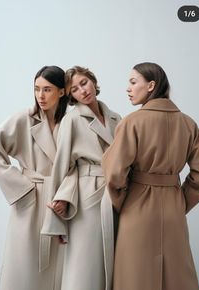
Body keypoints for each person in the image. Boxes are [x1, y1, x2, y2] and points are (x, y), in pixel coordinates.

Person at [101, 62, 199, 290]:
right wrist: (179, 202)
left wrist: (124, 203)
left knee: (134, 277)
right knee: (177, 277)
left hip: (136, 208)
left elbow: (113, 174)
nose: (128, 88)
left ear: (151, 85)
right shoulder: (188, 124)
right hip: (173, 210)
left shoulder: (132, 122)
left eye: (133, 82)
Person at [0, 65, 68, 290]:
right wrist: (21, 188)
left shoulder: (71, 122)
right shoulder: (24, 118)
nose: (40, 95)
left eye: (47, 89)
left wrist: (70, 196)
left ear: (62, 91)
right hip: (31, 200)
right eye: (37, 89)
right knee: (25, 267)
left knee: (62, 269)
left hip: (61, 202)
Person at [41, 66, 121, 290]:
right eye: (74, 89)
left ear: (93, 81)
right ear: (71, 96)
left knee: (114, 263)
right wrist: (55, 221)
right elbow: (61, 167)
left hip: (116, 195)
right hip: (88, 197)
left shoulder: (117, 118)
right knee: (83, 263)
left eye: (84, 83)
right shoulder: (72, 120)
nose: (82, 91)